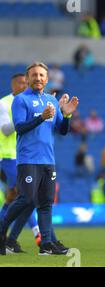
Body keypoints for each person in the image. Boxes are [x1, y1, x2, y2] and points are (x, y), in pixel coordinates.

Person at [0, 61, 79, 255]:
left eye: (42, 75)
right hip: (28, 159)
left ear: (47, 79)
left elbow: (61, 131)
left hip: (48, 160)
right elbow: (19, 128)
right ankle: (2, 229)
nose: (38, 78)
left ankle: (46, 245)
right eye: (34, 75)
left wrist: (66, 116)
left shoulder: (51, 101)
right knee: (26, 198)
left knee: (45, 203)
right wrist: (41, 118)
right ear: (27, 79)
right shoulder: (21, 100)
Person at [0, 73, 41, 253]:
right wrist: (23, 122)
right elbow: (6, 130)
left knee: (15, 198)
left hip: (22, 157)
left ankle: (7, 240)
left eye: (26, 83)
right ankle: (36, 234)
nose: (24, 86)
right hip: (6, 157)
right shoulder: (4, 103)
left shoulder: (28, 102)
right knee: (25, 195)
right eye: (20, 83)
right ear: (13, 85)